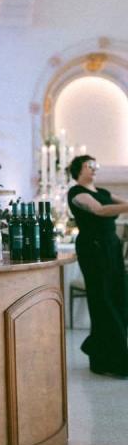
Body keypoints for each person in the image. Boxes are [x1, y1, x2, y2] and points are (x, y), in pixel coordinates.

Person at [67, 154, 128, 378]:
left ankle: (100, 356)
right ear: (78, 170)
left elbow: (120, 203)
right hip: (93, 249)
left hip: (111, 246)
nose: (94, 169)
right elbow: (100, 210)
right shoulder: (76, 193)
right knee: (103, 300)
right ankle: (116, 361)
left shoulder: (101, 191)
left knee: (119, 297)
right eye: (89, 165)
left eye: (95, 165)